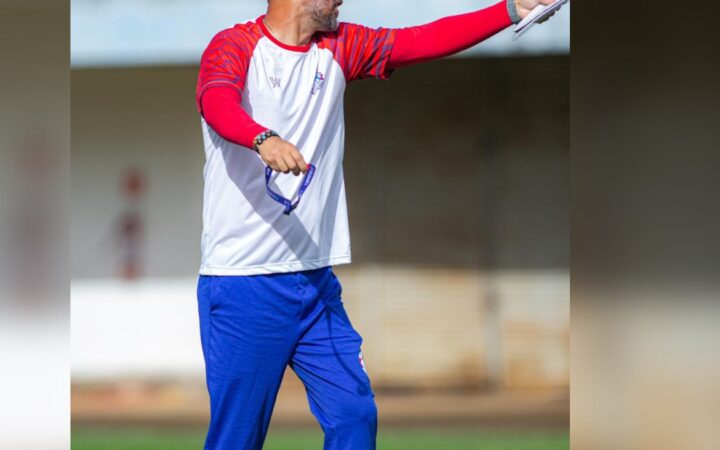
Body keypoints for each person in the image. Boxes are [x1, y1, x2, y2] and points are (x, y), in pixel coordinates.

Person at [195, 0, 557, 448]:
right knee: (236, 439)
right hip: (244, 286)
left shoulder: (341, 46)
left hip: (315, 285)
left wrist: (511, 10)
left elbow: (420, 41)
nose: (342, 0)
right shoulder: (233, 46)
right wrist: (261, 138)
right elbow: (216, 101)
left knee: (354, 415)